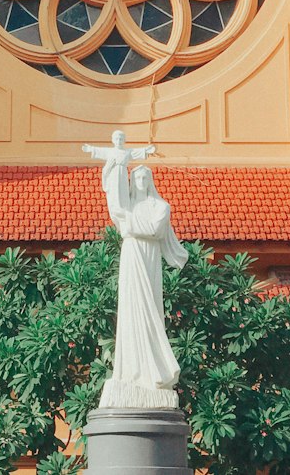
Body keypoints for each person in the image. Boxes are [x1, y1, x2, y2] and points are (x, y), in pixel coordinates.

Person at [99, 163, 188, 410]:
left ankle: (156, 369)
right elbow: (114, 199)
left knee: (148, 309)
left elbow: (154, 230)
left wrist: (130, 226)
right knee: (129, 311)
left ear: (150, 181)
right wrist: (116, 163)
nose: (140, 181)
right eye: (136, 177)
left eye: (144, 177)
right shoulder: (127, 206)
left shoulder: (161, 207)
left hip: (148, 259)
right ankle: (129, 373)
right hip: (130, 256)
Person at [82, 130, 155, 212]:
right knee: (114, 194)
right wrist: (90, 149)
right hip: (112, 175)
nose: (119, 141)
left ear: (124, 140)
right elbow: (99, 150)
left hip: (122, 176)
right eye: (117, 139)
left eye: (121, 139)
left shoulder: (127, 152)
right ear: (113, 140)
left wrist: (146, 150)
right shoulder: (109, 151)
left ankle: (124, 211)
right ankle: (116, 211)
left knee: (123, 194)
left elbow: (136, 151)